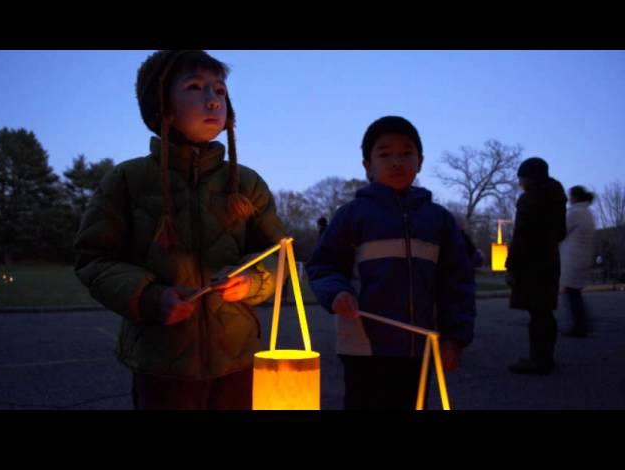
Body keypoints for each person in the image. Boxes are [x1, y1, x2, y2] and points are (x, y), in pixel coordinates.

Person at [74, 50, 285, 410]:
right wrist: (150, 296)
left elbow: (280, 255)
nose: (212, 99)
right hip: (162, 364)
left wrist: (251, 280)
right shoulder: (127, 180)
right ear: (162, 107)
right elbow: (95, 260)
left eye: (219, 90)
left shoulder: (246, 183)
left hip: (237, 359)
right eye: (195, 86)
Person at [306, 116, 475, 410]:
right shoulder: (352, 215)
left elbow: (457, 282)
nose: (397, 161)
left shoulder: (439, 220)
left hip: (419, 347)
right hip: (362, 347)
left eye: (406, 153)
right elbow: (324, 265)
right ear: (367, 166)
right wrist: (336, 292)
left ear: (420, 161)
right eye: (385, 154)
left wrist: (454, 337)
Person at [505, 157, 567, 375]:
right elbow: (561, 232)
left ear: (529, 178)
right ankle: (545, 357)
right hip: (549, 261)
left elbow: (520, 236)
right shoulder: (557, 198)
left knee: (537, 314)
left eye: (521, 178)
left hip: (531, 264)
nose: (520, 183)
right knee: (545, 312)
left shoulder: (529, 200)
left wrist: (511, 264)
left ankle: (538, 360)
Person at [560, 185, 596, 337]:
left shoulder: (575, 213)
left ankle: (580, 326)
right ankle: (582, 324)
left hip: (572, 257)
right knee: (575, 292)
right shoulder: (588, 213)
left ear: (575, 197)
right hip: (583, 256)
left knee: (571, 291)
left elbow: (561, 230)